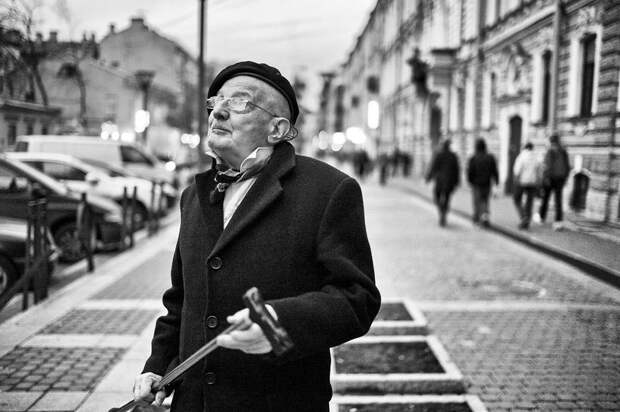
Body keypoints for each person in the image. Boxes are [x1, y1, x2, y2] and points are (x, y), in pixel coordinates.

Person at [132, 61, 381, 412]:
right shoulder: (193, 195)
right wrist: (158, 364)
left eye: (239, 102)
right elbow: (181, 299)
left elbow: (357, 299)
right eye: (216, 101)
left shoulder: (329, 190)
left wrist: (278, 323)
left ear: (277, 129)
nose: (218, 112)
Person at [537, 133, 570, 230]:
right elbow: (567, 166)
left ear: (551, 141)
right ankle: (558, 222)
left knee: (545, 199)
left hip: (550, 178)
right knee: (558, 200)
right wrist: (565, 178)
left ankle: (541, 218)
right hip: (560, 179)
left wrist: (545, 178)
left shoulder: (550, 151)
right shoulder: (563, 151)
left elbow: (547, 166)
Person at [426, 139, 460, 226]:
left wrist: (428, 178)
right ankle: (443, 212)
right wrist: (457, 181)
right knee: (447, 198)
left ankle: (441, 211)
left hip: (440, 181)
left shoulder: (439, 155)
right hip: (450, 182)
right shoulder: (453, 156)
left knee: (436, 197)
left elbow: (433, 167)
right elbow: (457, 170)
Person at [466, 138, 498, 227]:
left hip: (476, 184)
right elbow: (494, 171)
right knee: (485, 200)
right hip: (487, 183)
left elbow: (470, 171)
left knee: (477, 202)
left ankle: (477, 219)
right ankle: (485, 216)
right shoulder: (490, 157)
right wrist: (496, 181)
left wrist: (470, 181)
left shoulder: (473, 158)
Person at [512, 142, 541, 229]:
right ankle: (527, 220)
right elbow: (538, 170)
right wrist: (538, 181)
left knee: (517, 199)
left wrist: (515, 180)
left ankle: (523, 216)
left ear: (524, 148)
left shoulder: (521, 156)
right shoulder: (536, 157)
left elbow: (517, 170)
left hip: (522, 182)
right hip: (532, 182)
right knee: (529, 202)